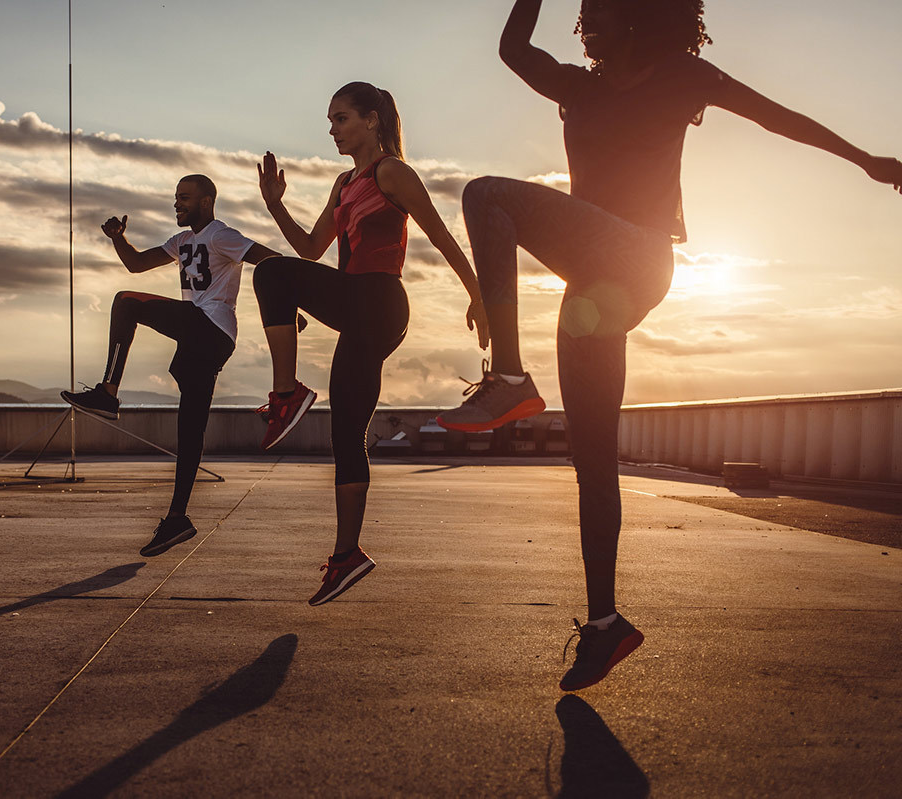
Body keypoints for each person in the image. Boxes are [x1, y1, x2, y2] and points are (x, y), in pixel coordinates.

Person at [437, 0, 902, 691]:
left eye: (600, 11)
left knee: (484, 195)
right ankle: (605, 624)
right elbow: (512, 48)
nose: (586, 23)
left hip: (640, 256)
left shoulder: (682, 76)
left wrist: (865, 159)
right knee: (592, 459)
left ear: (640, 16)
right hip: (592, 289)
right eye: (581, 15)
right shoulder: (579, 86)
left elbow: (777, 116)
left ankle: (508, 374)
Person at [254, 81, 490, 606]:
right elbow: (312, 250)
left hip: (380, 298)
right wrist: (275, 206)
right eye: (331, 119)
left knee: (271, 275)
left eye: (341, 118)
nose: (332, 129)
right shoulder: (343, 183)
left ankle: (286, 393)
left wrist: (479, 296)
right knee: (346, 430)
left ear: (373, 120)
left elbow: (440, 234)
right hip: (358, 308)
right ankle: (347, 555)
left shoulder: (391, 173)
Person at [62, 175, 278, 558]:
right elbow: (136, 264)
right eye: (175, 197)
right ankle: (177, 518)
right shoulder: (181, 242)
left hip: (211, 326)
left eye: (185, 198)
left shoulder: (220, 235)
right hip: (200, 340)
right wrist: (117, 238)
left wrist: (287, 305)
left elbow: (271, 260)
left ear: (207, 201)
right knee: (190, 431)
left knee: (126, 302)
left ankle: (107, 394)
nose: (176, 204)